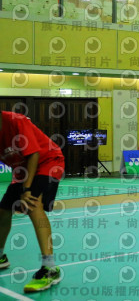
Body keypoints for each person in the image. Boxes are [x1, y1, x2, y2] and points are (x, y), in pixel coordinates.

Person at [0, 111, 64, 293]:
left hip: (47, 162)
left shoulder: (16, 121)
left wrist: (26, 189)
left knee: (32, 204)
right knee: (3, 211)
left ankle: (49, 268)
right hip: (21, 170)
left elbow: (34, 153)